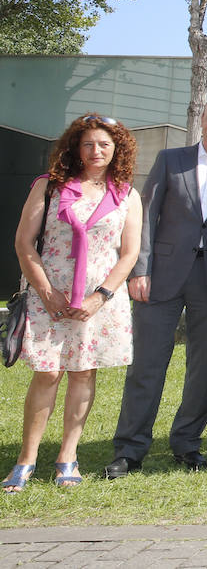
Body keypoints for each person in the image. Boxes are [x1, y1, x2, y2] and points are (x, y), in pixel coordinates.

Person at [105, 95, 207, 479]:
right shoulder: (171, 160)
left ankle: (187, 443)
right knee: (146, 364)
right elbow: (146, 214)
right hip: (161, 276)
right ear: (203, 119)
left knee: (201, 368)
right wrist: (140, 269)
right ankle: (130, 448)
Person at [4, 116, 142, 493]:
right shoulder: (49, 186)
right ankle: (26, 460)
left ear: (117, 150)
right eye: (88, 144)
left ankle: (68, 456)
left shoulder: (127, 195)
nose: (96, 151)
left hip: (99, 298)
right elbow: (23, 243)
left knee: (83, 373)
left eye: (104, 145)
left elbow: (129, 254)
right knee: (47, 373)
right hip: (50, 292)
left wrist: (100, 297)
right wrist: (46, 291)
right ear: (76, 148)